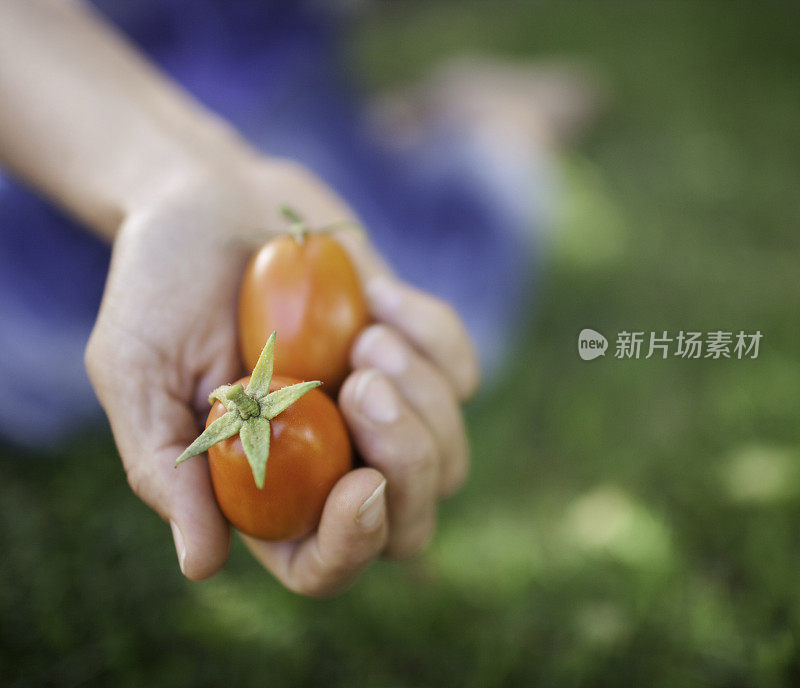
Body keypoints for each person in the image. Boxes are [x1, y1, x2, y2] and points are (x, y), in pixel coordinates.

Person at [0, 0, 583, 597]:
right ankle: (412, 139)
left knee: (428, 330)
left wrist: (186, 180)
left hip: (260, 75)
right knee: (23, 375)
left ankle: (491, 125)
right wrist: (171, 184)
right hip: (53, 92)